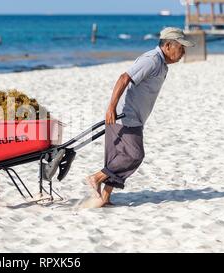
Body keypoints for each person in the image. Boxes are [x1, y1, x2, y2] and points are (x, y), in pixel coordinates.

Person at [84, 27, 195, 208]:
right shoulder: (152, 60)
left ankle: (104, 198)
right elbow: (123, 78)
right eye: (181, 48)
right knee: (134, 155)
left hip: (132, 116)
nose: (183, 52)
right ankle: (96, 178)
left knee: (116, 157)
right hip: (124, 115)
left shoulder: (162, 64)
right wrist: (111, 107)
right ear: (168, 45)